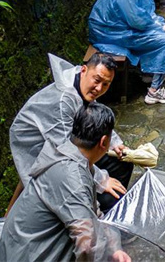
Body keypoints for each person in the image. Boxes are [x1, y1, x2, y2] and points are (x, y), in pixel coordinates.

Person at [0, 105, 131, 262]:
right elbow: (87, 244)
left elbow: (94, 215)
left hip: (19, 246)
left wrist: (115, 249)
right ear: (104, 141)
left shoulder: (68, 155)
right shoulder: (72, 176)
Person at [9, 52, 129, 212]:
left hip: (68, 142)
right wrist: (102, 180)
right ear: (84, 70)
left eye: (106, 84)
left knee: (122, 162)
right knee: (105, 197)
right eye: (97, 80)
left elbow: (94, 114)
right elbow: (66, 150)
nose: (99, 88)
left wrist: (114, 142)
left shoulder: (82, 83)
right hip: (41, 147)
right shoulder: (63, 100)